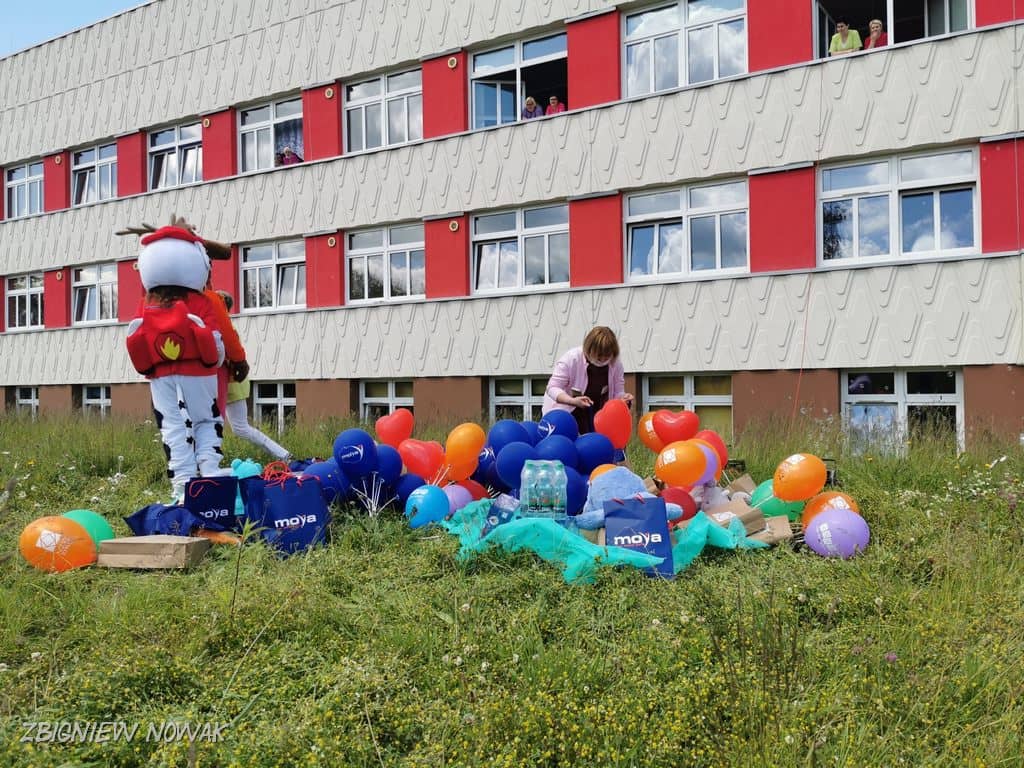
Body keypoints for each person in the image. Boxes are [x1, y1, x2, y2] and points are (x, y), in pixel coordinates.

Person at [215, 290, 292, 461]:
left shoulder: (226, 329)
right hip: (232, 383)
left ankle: (283, 454)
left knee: (237, 427)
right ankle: (283, 454)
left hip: (231, 384)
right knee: (232, 427)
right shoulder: (226, 326)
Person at [542, 326, 634, 436]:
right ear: (589, 350)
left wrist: (623, 399)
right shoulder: (571, 359)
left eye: (607, 356)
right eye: (599, 356)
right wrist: (572, 401)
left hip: (595, 413)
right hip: (564, 413)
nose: (603, 360)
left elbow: (618, 392)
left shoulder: (616, 364)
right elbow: (552, 388)